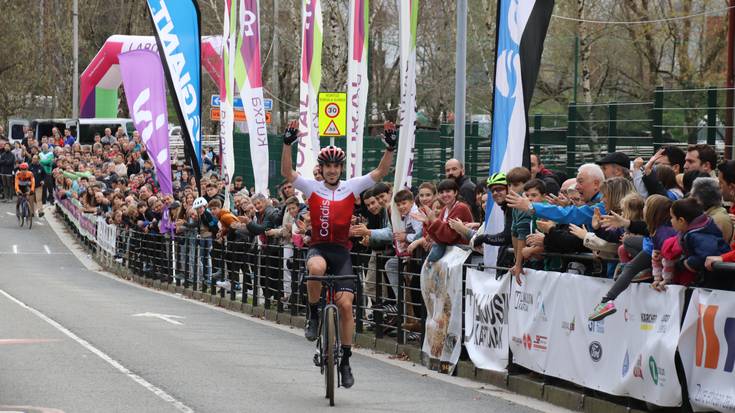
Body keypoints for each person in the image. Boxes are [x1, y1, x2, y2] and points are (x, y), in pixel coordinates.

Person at [280, 119, 396, 388]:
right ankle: (313, 314)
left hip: (343, 251)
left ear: (341, 168)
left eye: (336, 166)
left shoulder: (351, 187)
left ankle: (345, 360)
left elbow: (379, 173)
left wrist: (390, 148)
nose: (331, 170)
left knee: (345, 306)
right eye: (327, 166)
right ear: (321, 169)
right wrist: (287, 143)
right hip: (319, 248)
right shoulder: (312, 187)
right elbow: (287, 172)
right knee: (316, 269)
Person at [506, 163, 605, 228]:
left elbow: (569, 214)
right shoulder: (597, 202)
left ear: (596, 184)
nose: (577, 187)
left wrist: (531, 206)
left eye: (580, 182)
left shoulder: (601, 205)